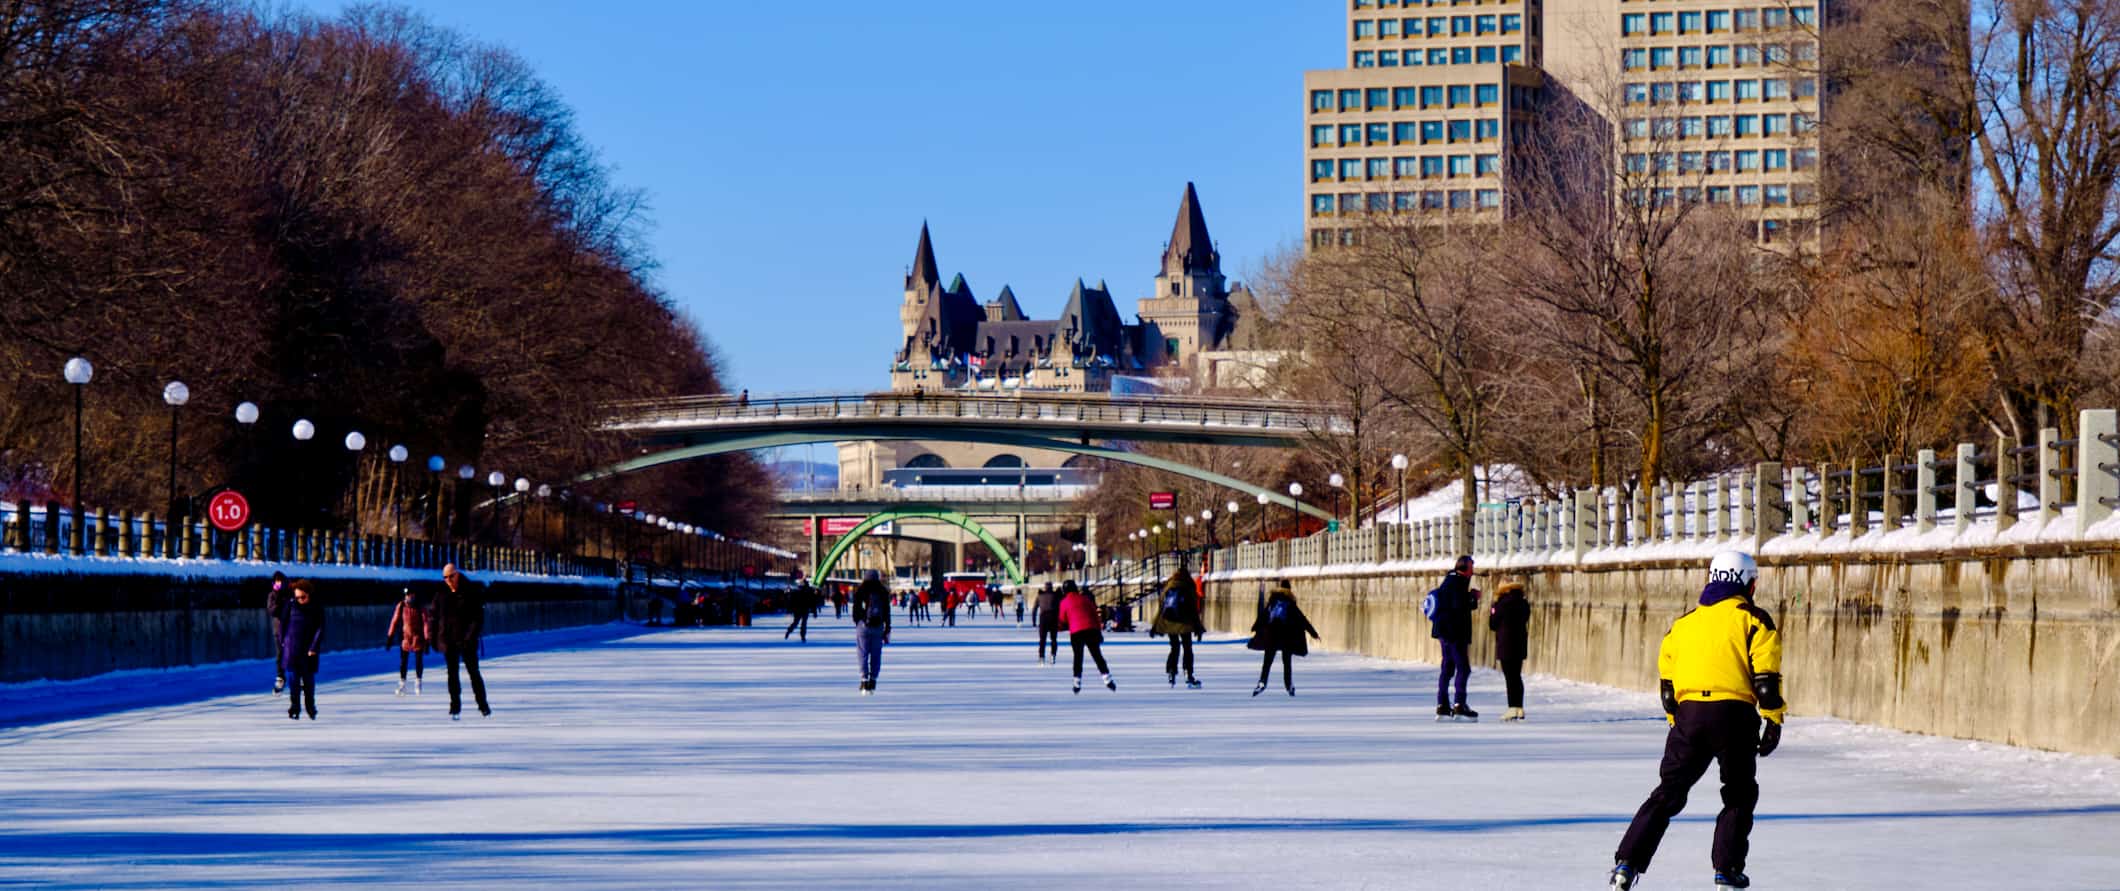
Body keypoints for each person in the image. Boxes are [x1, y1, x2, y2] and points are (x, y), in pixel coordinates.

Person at [1609, 551, 1785, 891]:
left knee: (1668, 793)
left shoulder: (1684, 624)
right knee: (1738, 794)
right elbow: (1765, 681)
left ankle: (1626, 864)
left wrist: (1677, 720)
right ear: (1748, 582)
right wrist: (1773, 720)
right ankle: (1727, 871)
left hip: (1689, 715)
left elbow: (1667, 686)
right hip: (1733, 715)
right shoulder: (1754, 619)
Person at [433, 563, 490, 720]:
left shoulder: (470, 591)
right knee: (452, 675)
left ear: (457, 574)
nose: (448, 580)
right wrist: (434, 638)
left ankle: (483, 705)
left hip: (467, 641)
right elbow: (434, 616)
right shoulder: (441, 593)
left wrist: (469, 637)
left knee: (473, 673)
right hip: (448, 640)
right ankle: (455, 706)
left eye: (451, 576)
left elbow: (477, 618)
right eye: (445, 577)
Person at [1429, 556, 1481, 721]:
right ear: (1464, 568)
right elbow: (1459, 608)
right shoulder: (1456, 583)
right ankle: (1459, 704)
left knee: (1448, 668)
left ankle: (1442, 705)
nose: (1473, 570)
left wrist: (1470, 598)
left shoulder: (1450, 581)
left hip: (1445, 633)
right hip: (1454, 634)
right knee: (1463, 668)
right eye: (1471, 567)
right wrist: (1473, 597)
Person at [1248, 581, 1320, 696]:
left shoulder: (1273, 601)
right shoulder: (1290, 603)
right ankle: (1288, 685)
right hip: (1286, 637)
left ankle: (1262, 681)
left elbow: (1263, 616)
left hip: (1271, 635)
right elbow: (1302, 619)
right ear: (1289, 590)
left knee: (1267, 661)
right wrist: (1313, 633)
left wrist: (1255, 628)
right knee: (1287, 662)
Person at [1151, 566, 1206, 689]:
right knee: (1187, 647)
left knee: (1174, 647)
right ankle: (1188, 674)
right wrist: (1198, 627)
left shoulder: (1168, 587)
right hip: (1185, 622)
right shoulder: (1188, 586)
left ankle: (1171, 672)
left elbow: (1161, 608)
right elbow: (1193, 609)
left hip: (1170, 622)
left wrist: (1155, 626)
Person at [278, 579, 325, 720]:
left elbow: (320, 628)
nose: (299, 600)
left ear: (309, 594)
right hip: (292, 649)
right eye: (297, 597)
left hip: (309, 651)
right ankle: (294, 707)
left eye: (302, 597)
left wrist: (314, 646)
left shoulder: (316, 607)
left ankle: (310, 706)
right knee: (294, 682)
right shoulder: (290, 605)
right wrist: (283, 642)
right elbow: (282, 624)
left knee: (308, 681)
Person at [1056, 580, 1114, 693]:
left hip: (1076, 631)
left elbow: (1062, 619)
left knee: (1078, 657)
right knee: (1097, 655)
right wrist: (1098, 631)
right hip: (1091, 629)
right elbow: (1095, 614)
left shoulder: (1064, 602)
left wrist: (1061, 627)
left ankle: (1077, 682)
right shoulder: (1085, 599)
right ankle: (1107, 679)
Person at [1488, 580, 1531, 722]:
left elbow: (1493, 624)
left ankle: (1512, 707)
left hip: (1506, 643)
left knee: (1510, 677)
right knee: (1517, 676)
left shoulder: (1500, 604)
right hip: (1520, 643)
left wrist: (1493, 610)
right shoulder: (1523, 603)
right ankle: (1519, 707)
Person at [852, 570, 892, 695]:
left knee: (863, 652)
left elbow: (855, 609)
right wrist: (887, 627)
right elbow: (887, 611)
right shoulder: (883, 591)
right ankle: (873, 679)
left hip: (863, 626)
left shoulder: (860, 590)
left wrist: (858, 621)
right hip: (878, 626)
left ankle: (864, 680)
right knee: (876, 653)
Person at [386, 588, 427, 696]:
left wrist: (427, 639)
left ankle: (418, 682)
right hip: (406, 638)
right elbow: (394, 621)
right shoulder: (401, 606)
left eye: (411, 595)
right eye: (407, 595)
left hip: (418, 638)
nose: (409, 597)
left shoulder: (420, 607)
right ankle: (402, 684)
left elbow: (426, 623)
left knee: (418, 661)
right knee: (403, 662)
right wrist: (390, 636)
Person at [265, 571, 289, 694]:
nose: (278, 583)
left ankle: (299, 676)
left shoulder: (289, 594)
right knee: (280, 653)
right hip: (278, 629)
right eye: (276, 581)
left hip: (291, 628)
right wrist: (278, 601)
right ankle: (280, 676)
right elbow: (271, 611)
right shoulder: (272, 596)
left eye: (280, 581)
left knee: (293, 652)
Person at [1034, 582, 1065, 665]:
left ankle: (1041, 657)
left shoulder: (1040, 596)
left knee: (1042, 639)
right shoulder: (1056, 596)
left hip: (1043, 618)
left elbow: (1034, 609)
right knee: (1054, 639)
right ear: (1051, 587)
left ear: (1045, 587)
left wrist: (1034, 622)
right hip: (1053, 617)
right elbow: (1062, 603)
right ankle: (1053, 655)